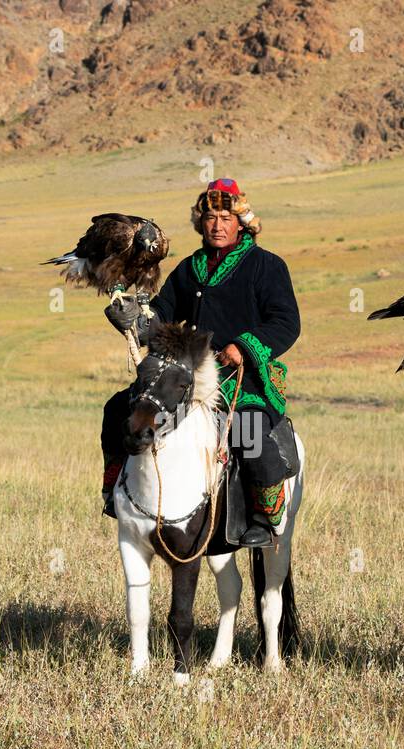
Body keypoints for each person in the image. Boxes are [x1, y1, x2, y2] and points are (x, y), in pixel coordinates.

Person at [100, 178, 300, 548]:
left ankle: (265, 516)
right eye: (210, 216)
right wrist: (136, 319)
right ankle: (116, 487)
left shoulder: (266, 266)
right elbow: (161, 315)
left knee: (249, 432)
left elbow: (286, 323)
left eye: (225, 216)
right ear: (200, 221)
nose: (217, 225)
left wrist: (244, 346)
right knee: (118, 408)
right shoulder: (189, 268)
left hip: (242, 377)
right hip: (184, 376)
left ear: (241, 221)